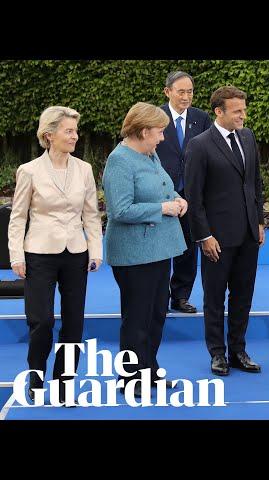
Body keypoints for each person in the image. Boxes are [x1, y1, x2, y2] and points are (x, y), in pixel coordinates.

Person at [8, 106, 103, 406]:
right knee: (42, 321)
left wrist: (96, 250)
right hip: (39, 254)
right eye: (69, 131)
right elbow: (17, 217)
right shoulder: (29, 171)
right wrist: (16, 256)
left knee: (74, 324)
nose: (75, 136)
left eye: (76, 130)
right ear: (49, 135)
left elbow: (91, 214)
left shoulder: (84, 169)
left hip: (76, 253)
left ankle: (64, 386)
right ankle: (36, 376)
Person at [102, 102, 187, 397]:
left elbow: (163, 187)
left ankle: (149, 370)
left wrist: (177, 198)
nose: (163, 138)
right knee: (137, 318)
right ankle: (129, 378)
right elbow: (120, 210)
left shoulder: (149, 154)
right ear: (142, 131)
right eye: (159, 132)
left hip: (160, 249)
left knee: (157, 315)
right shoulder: (120, 161)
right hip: (133, 253)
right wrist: (163, 208)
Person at [184, 85, 265, 377]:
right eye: (237, 111)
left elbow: (255, 183)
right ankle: (217, 354)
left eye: (244, 109)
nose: (243, 116)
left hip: (247, 235)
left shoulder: (247, 136)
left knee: (243, 295)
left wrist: (259, 221)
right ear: (219, 112)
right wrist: (204, 235)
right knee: (215, 297)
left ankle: (238, 350)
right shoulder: (199, 145)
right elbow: (194, 196)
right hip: (216, 238)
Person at [156, 71, 212, 314]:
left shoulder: (201, 118)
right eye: (181, 91)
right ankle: (157, 297)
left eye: (190, 91)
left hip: (191, 196)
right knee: (158, 251)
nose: (186, 96)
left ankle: (180, 297)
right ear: (168, 92)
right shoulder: (155, 117)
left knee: (187, 250)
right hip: (159, 195)